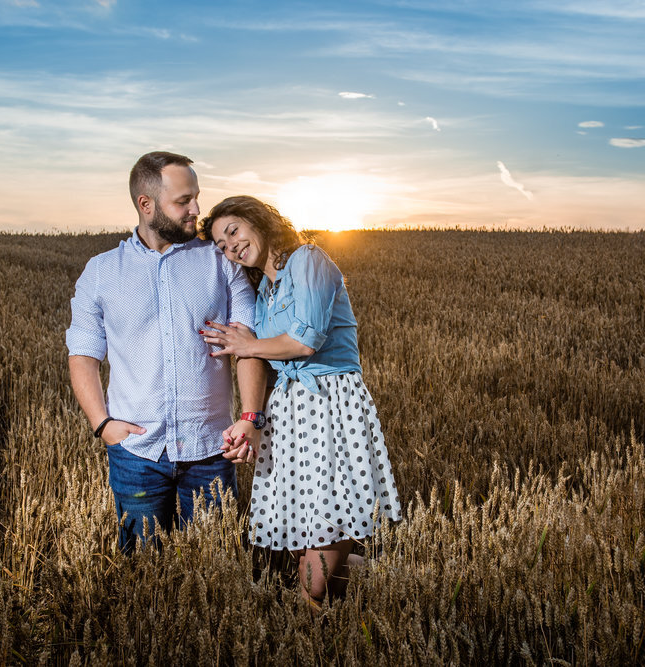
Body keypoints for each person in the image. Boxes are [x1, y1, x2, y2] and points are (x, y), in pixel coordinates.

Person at [199, 195, 401, 606]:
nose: (230, 246)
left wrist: (248, 345)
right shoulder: (266, 291)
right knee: (299, 540)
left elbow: (305, 342)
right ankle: (389, 586)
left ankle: (320, 616)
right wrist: (251, 416)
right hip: (289, 414)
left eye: (233, 231)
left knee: (314, 573)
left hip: (330, 407)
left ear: (258, 220)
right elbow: (261, 357)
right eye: (221, 244)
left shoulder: (310, 259)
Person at [66, 152, 266, 555]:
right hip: (137, 452)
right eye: (183, 201)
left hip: (212, 445)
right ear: (146, 204)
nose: (197, 210)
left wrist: (250, 416)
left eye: (197, 197)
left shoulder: (220, 261)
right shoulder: (102, 272)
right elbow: (83, 353)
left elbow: (248, 344)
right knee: (142, 574)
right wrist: (102, 424)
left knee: (216, 569)